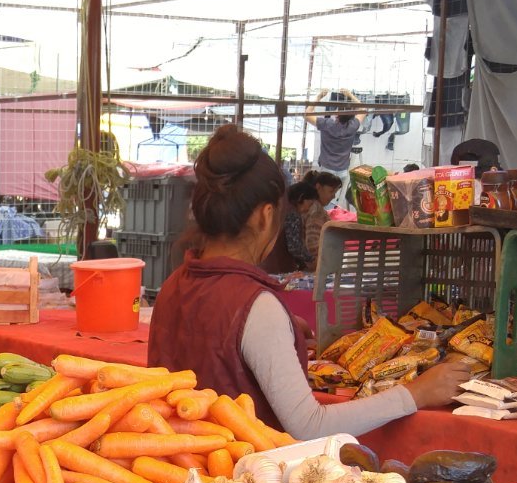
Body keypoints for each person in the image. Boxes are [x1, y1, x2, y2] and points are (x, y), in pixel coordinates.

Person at [147, 125, 471, 441]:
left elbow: (215, 344)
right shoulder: (256, 308)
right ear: (265, 215)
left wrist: (279, 330)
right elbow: (309, 425)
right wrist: (415, 394)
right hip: (243, 478)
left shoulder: (174, 285)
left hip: (180, 468)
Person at [303, 90, 365, 205]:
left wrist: (319, 96)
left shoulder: (327, 124)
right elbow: (363, 110)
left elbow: (307, 114)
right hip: (342, 171)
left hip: (326, 170)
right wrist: (350, 95)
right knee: (333, 200)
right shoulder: (352, 126)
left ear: (337, 114)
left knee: (322, 200)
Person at [302, 170, 343, 263]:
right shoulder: (316, 211)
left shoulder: (314, 207)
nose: (333, 196)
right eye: (331, 191)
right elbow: (312, 244)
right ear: (318, 187)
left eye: (335, 192)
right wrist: (322, 263)